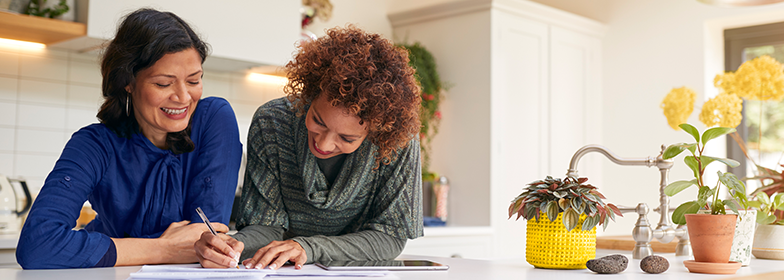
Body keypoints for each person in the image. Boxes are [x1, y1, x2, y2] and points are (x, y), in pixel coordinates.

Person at [16, 8, 242, 269]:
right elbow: (38, 245)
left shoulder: (214, 118)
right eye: (163, 84)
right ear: (128, 82)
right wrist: (164, 248)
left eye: (194, 81)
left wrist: (123, 247)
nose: (182, 97)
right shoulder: (94, 144)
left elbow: (207, 237)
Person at [194, 25, 424, 269]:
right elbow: (265, 226)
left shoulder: (397, 140)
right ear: (310, 94)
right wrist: (231, 245)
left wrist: (309, 247)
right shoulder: (272, 122)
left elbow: (389, 237)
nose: (323, 144)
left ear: (376, 132)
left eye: (346, 139)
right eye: (317, 121)